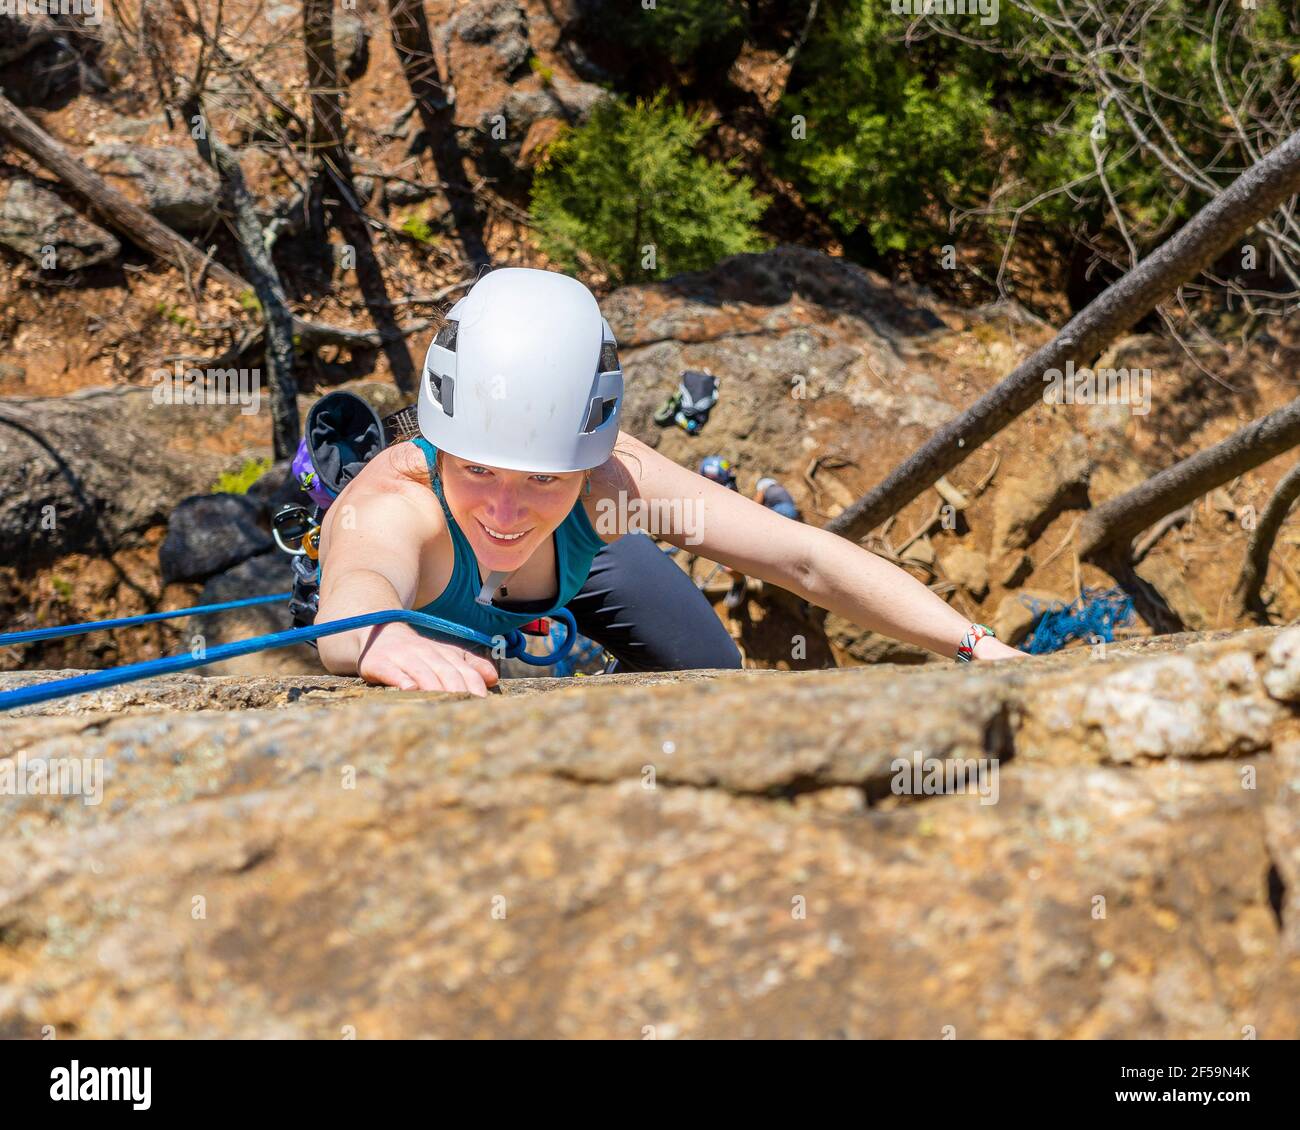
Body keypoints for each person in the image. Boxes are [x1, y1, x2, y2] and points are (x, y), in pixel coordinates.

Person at [314, 267, 1027, 697]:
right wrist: (385, 638)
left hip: (579, 550)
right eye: (476, 470)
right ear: (441, 450)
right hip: (434, 598)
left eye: (542, 477)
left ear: (587, 461)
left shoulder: (609, 481)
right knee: (450, 687)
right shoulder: (394, 505)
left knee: (707, 666)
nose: (505, 509)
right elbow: (353, 606)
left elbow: (799, 558)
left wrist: (975, 646)